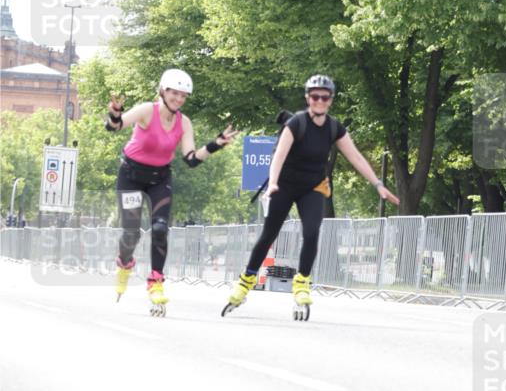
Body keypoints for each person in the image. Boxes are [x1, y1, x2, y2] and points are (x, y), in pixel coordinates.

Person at [226, 74, 399, 312]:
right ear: (308, 98)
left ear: (331, 100)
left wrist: (378, 184)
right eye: (315, 96)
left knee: (311, 232)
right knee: (269, 234)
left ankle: (302, 283)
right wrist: (273, 183)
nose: (320, 101)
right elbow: (278, 156)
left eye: (325, 97)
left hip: (313, 187)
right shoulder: (296, 123)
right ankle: (245, 282)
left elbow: (356, 157)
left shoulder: (334, 127)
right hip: (284, 184)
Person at [105, 68, 238, 312]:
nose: (179, 99)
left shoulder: (183, 122)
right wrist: (114, 114)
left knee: (159, 228)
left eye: (183, 95)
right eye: (174, 93)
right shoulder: (148, 111)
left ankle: (156, 282)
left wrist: (215, 144)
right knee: (131, 233)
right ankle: (124, 263)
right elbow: (115, 127)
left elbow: (191, 159)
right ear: (163, 91)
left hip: (159, 178)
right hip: (131, 176)